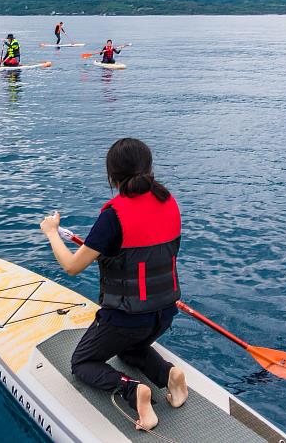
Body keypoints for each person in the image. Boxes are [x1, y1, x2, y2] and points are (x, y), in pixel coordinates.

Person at [39, 138, 188, 432]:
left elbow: (71, 267)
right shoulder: (169, 202)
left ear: (112, 176)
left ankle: (134, 392)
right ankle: (169, 376)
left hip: (126, 319)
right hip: (164, 314)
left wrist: (52, 232)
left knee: (82, 363)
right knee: (130, 350)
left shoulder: (113, 216)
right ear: (149, 168)